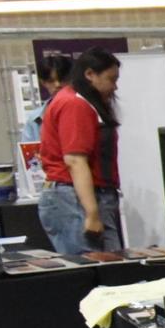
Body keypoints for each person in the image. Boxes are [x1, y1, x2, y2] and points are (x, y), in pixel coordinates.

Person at [36, 48, 123, 254]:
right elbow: (75, 161)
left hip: (82, 196)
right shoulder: (75, 104)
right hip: (73, 198)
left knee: (110, 264)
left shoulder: (78, 102)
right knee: (92, 265)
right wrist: (91, 213)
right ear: (90, 74)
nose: (115, 86)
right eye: (111, 79)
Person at [22, 54, 72, 141]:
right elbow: (27, 148)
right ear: (43, 82)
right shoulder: (34, 119)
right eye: (51, 81)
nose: (58, 85)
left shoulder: (85, 109)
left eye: (62, 80)